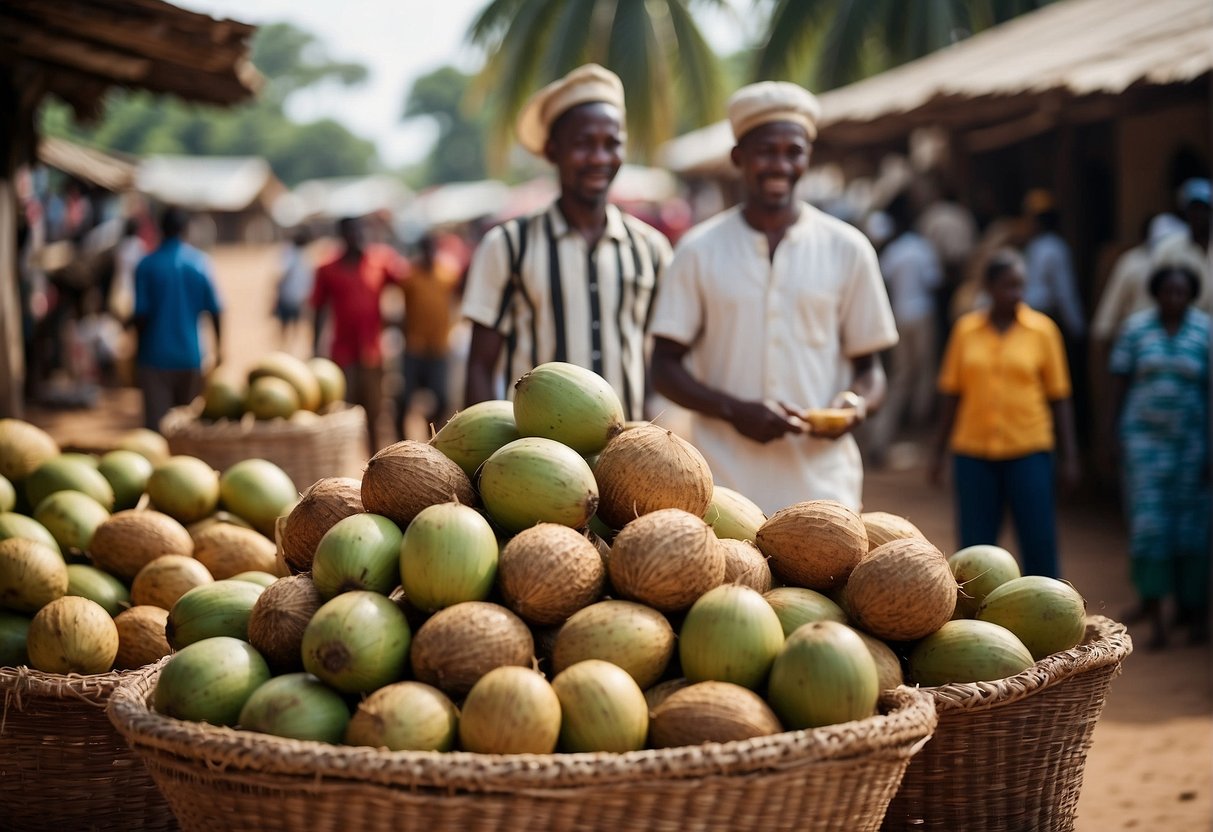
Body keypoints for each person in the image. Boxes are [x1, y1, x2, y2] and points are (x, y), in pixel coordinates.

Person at [648, 81, 899, 515]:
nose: (779, 164)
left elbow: (871, 371)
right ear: (738, 158)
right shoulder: (696, 250)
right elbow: (664, 368)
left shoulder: (848, 248)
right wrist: (733, 410)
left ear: (808, 157)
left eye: (793, 151)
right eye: (766, 151)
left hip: (825, 491)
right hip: (724, 491)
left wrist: (853, 407)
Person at [461, 64, 672, 419]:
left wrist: (647, 416)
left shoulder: (651, 249)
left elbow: (655, 353)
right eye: (583, 144)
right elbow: (480, 366)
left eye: (612, 144)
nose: (600, 158)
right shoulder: (508, 246)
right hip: (536, 458)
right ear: (552, 150)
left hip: (628, 458)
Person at [929, 249, 1080, 579]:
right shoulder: (965, 331)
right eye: (1007, 286)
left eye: (1020, 286)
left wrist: (1070, 456)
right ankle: (978, 621)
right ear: (988, 287)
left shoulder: (1043, 331)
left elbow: (1060, 397)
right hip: (973, 453)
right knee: (975, 549)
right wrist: (938, 453)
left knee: (1038, 539)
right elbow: (951, 394)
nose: (1015, 294)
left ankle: (1047, 611)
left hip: (1028, 450)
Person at [1107, 249, 1210, 649]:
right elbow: (1118, 381)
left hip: (1192, 445)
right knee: (1150, 528)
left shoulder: (1205, 331)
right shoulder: (1136, 330)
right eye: (1167, 291)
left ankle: (1194, 612)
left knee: (1193, 529)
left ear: (1191, 294)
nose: (1174, 298)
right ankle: (1156, 614)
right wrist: (1111, 436)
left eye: (1181, 292)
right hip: (1144, 443)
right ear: (1157, 293)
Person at [311, 216, 409, 455]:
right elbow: (318, 310)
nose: (356, 237)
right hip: (342, 353)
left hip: (372, 352)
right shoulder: (327, 268)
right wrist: (315, 349)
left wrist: (402, 324)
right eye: (350, 233)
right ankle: (343, 462)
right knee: (342, 412)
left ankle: (375, 460)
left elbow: (407, 284)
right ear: (342, 236)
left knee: (375, 413)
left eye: (359, 232)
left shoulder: (380, 262)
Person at [867, 192, 943, 466]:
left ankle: (885, 436)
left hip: (899, 317)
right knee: (924, 374)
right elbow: (936, 281)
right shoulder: (922, 249)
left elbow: (883, 283)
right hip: (921, 315)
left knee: (900, 377)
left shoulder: (894, 251)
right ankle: (918, 428)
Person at [132, 206, 222, 431]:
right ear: (186, 229)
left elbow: (141, 315)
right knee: (188, 428)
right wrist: (220, 348)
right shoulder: (200, 263)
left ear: (160, 229)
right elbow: (216, 309)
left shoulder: (147, 265)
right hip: (191, 356)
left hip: (154, 357)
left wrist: (137, 353)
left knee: (158, 430)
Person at [395, 233, 462, 438]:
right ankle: (401, 439)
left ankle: (431, 433)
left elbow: (456, 297)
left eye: (432, 249)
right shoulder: (410, 276)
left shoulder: (446, 275)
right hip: (414, 346)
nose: (429, 254)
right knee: (405, 399)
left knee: (441, 399)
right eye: (425, 249)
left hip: (439, 346)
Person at [1022, 189, 1085, 341]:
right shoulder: (1039, 246)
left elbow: (1063, 289)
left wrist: (1075, 325)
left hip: (1045, 315)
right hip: (1037, 314)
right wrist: (1077, 326)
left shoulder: (1052, 247)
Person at [273, 227, 315, 347]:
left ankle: (289, 346)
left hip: (298, 297)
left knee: (294, 324)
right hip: (288, 296)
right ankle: (284, 346)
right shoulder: (290, 253)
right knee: (286, 324)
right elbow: (281, 274)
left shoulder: (304, 254)